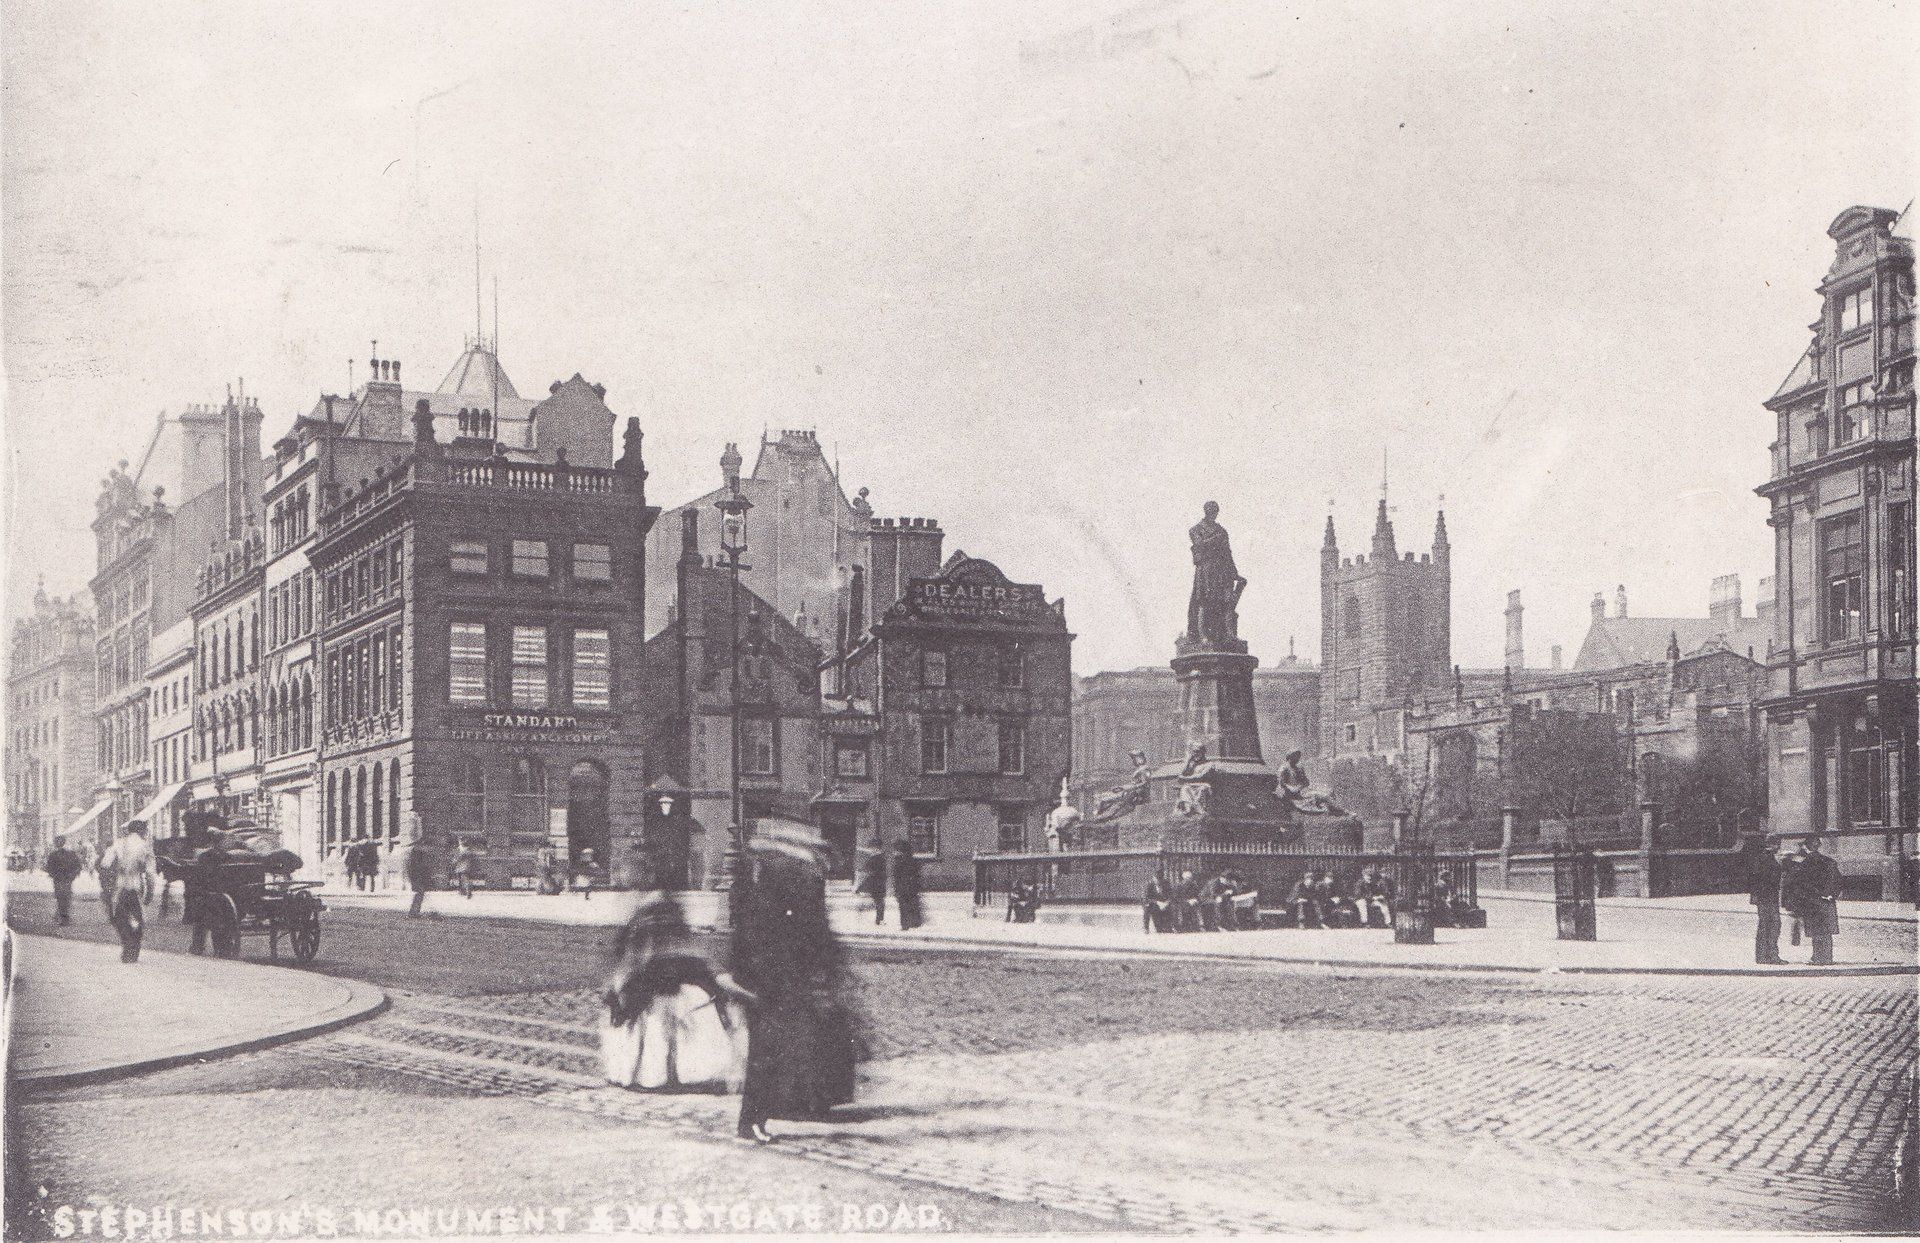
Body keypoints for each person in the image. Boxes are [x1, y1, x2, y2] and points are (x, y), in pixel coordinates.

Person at [731, 829, 861, 1143]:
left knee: (777, 1051)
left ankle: (764, 1116)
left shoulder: (777, 894)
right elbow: (769, 942)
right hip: (770, 987)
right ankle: (751, 1121)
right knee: (766, 1053)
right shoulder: (774, 898)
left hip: (777, 985)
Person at [601, 891, 750, 1092]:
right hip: (662, 980)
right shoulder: (659, 916)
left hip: (664, 980)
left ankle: (660, 1074)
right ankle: (668, 1073)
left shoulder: (654, 915)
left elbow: (641, 952)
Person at [98, 822, 158, 963]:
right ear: (141, 830)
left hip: (119, 887)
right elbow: (150, 873)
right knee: (138, 919)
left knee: (119, 918)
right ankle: (134, 948)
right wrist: (150, 892)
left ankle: (127, 945)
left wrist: (107, 885)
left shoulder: (118, 843)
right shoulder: (145, 846)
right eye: (145, 831)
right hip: (136, 886)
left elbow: (105, 864)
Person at [1787, 836, 1841, 966]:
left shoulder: (1804, 863)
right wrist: (1831, 895)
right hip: (1827, 901)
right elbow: (1838, 881)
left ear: (1806, 846)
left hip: (1812, 901)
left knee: (1816, 930)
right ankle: (1827, 957)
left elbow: (1799, 883)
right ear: (1818, 846)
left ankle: (1817, 957)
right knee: (1826, 931)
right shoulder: (1829, 861)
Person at [1745, 835, 1787, 965]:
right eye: (1777, 844)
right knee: (1772, 925)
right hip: (1766, 897)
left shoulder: (1762, 857)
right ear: (1772, 844)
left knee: (1767, 925)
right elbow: (1759, 878)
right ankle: (1771, 956)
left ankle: (1763, 956)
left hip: (1766, 897)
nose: (1779, 847)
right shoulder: (1765, 858)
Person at [42, 836, 82, 925]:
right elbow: (78, 866)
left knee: (60, 898)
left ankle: (63, 917)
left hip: (59, 879)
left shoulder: (53, 855)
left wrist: (53, 875)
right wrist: (72, 875)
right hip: (67, 879)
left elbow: (48, 868)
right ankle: (64, 917)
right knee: (66, 897)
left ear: (56, 844)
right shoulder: (71, 853)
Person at [891, 841, 923, 930]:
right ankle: (914, 923)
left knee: (903, 907)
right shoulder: (913, 861)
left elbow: (897, 877)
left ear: (900, 851)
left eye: (896, 850)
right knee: (911, 905)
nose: (894, 853)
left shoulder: (898, 862)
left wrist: (896, 889)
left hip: (902, 888)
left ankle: (905, 925)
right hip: (912, 888)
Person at [854, 845, 888, 925]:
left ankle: (878, 919)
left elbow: (867, 868)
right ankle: (879, 919)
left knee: (878, 901)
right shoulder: (882, 857)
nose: (871, 849)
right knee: (880, 901)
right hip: (880, 883)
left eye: (873, 848)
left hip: (875, 883)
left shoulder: (874, 858)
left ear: (876, 848)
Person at [405, 834, 435, 918]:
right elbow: (418, 866)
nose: (429, 849)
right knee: (419, 893)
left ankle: (414, 911)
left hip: (417, 876)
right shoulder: (417, 853)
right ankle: (413, 912)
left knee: (420, 893)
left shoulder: (416, 852)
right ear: (423, 845)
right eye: (427, 846)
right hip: (417, 876)